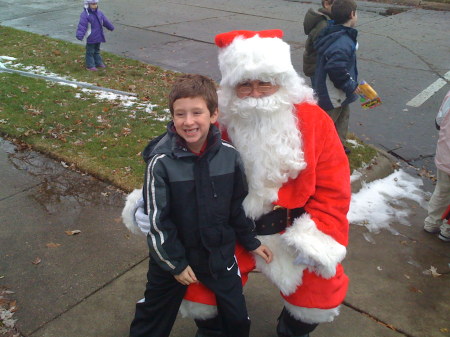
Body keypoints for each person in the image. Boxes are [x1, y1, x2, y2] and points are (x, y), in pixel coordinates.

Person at [124, 29, 350, 337]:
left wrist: (319, 232)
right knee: (200, 296)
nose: (256, 94)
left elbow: (334, 187)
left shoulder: (314, 121)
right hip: (227, 230)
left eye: (264, 83)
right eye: (245, 85)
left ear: (282, 82)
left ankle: (291, 330)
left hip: (292, 231)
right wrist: (146, 203)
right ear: (232, 88)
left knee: (319, 298)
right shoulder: (217, 123)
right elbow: (174, 162)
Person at [128, 74, 273, 337]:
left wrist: (251, 241)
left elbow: (236, 208)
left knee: (238, 322)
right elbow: (158, 222)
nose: (188, 121)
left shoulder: (229, 157)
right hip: (174, 256)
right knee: (151, 321)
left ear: (213, 114)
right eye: (180, 114)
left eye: (197, 112)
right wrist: (175, 264)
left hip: (218, 255)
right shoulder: (161, 163)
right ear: (172, 117)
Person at [312, 0, 360, 153]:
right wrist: (351, 85)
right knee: (328, 122)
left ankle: (337, 147)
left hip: (340, 91)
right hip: (334, 92)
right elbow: (336, 68)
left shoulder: (335, 32)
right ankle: (320, 152)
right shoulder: (342, 41)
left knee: (343, 116)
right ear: (352, 14)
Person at [423, 90, 450, 242]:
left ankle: (432, 222)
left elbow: (439, 121)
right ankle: (447, 230)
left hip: (446, 155)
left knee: (442, 191)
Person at [76, 0, 114, 71]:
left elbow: (105, 21)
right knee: (90, 52)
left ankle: (98, 62)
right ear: (87, 4)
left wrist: (110, 27)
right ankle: (90, 65)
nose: (95, 5)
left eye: (96, 3)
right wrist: (80, 35)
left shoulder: (99, 13)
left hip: (99, 36)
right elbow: (82, 25)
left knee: (97, 50)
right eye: (93, 4)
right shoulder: (85, 15)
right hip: (91, 37)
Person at [302, 0, 334, 83]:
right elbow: (321, 47)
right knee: (319, 92)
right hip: (317, 66)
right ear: (327, 4)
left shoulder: (331, 20)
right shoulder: (323, 24)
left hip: (319, 64)